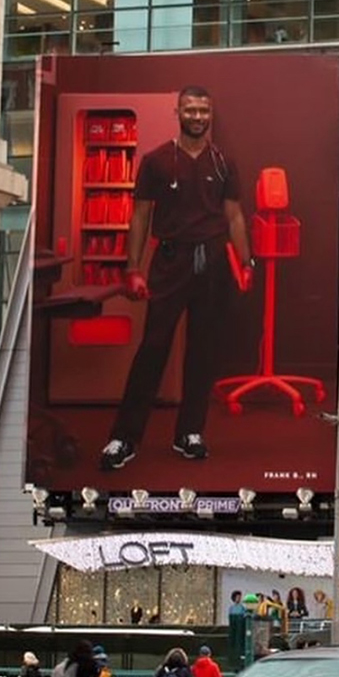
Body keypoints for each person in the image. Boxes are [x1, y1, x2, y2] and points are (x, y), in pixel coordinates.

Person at [98, 86, 253, 470]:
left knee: (204, 351)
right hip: (170, 260)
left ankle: (190, 433)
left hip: (214, 261)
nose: (198, 116)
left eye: (204, 110)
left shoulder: (223, 163)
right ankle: (123, 438)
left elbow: (234, 215)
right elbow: (140, 216)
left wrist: (247, 264)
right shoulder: (156, 161)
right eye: (191, 110)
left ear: (210, 115)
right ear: (178, 112)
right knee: (153, 347)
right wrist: (133, 269)